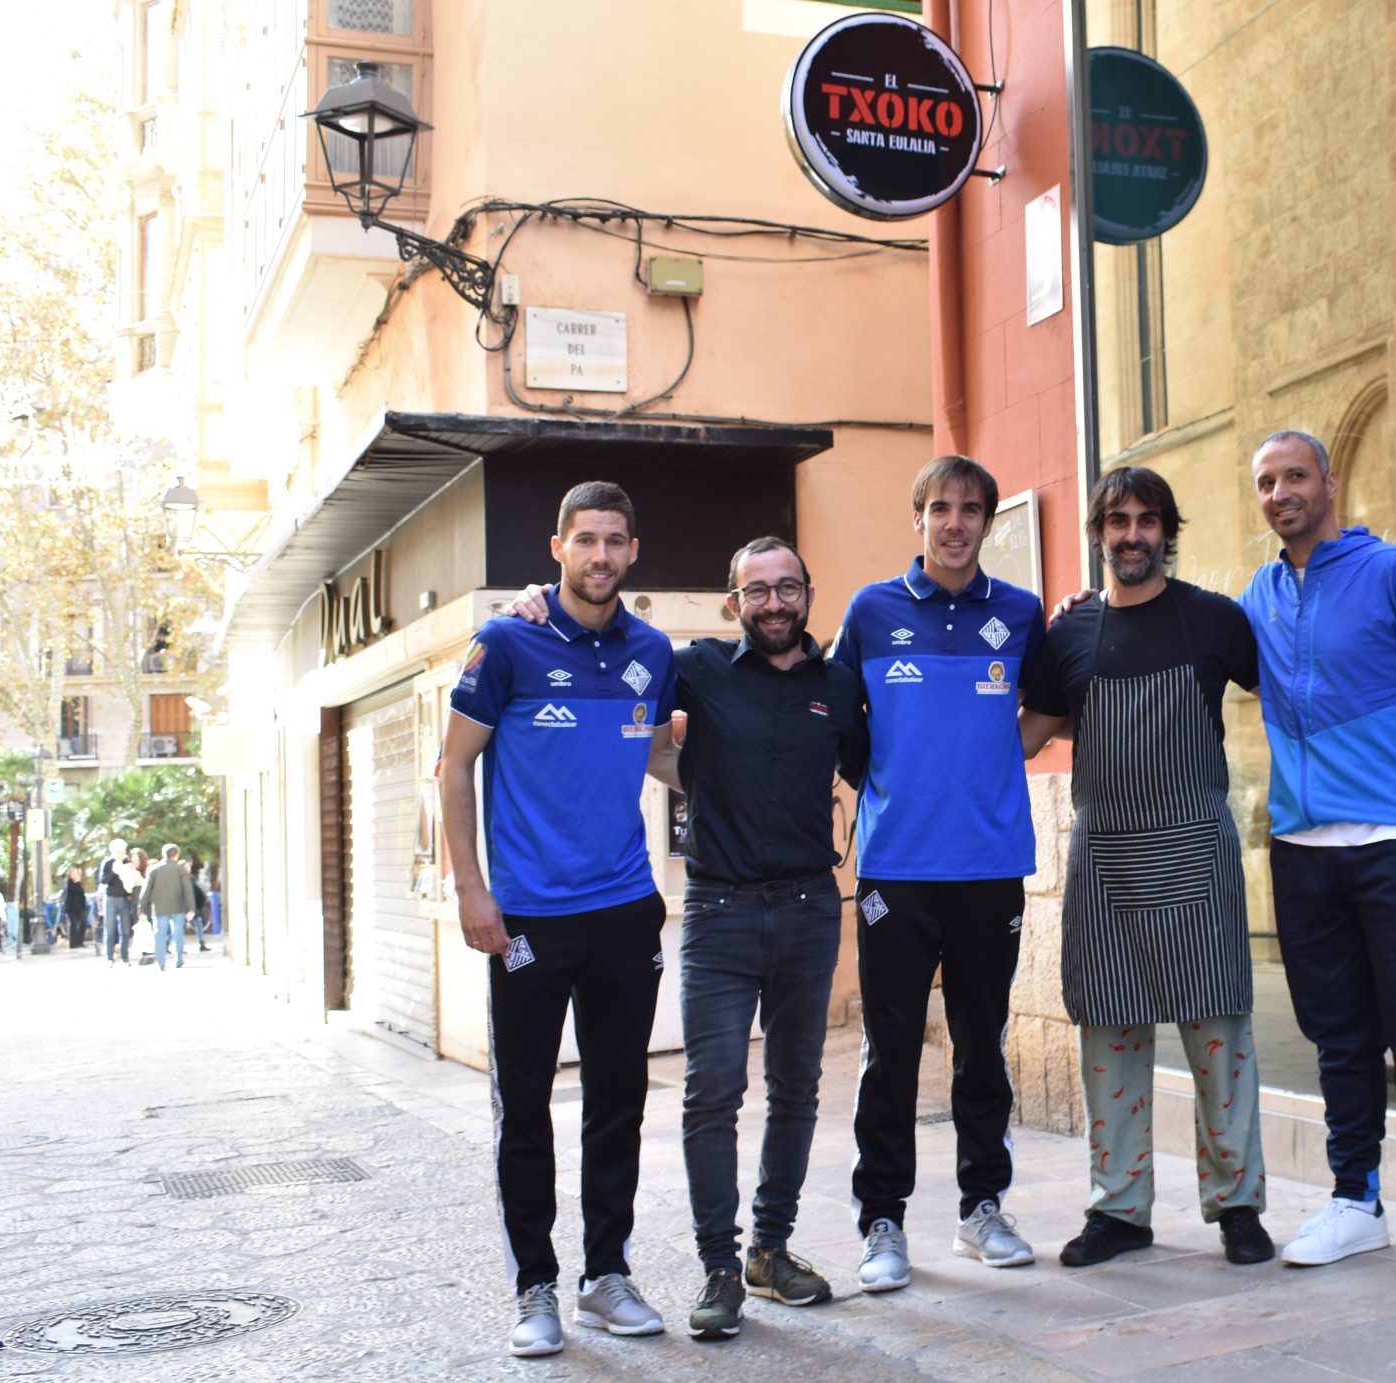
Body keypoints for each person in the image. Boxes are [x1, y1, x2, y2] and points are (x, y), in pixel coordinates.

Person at [508, 535, 868, 1339]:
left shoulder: (839, 685)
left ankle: (769, 1252)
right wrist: (540, 602)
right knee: (713, 1092)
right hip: (718, 911)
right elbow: (606, 655)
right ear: (732, 601)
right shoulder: (694, 667)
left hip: (810, 907)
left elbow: (869, 766)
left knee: (797, 1087)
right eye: (756, 590)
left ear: (808, 595)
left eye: (787, 587)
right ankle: (718, 1267)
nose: (773, 602)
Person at [1240, 429, 1396, 1280]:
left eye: (1295, 476)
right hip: (1302, 846)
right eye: (1266, 482)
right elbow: (1181, 633)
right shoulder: (1259, 595)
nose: (1281, 493)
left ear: (1329, 482)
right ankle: (1354, 1199)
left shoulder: (1393, 572)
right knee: (1338, 1035)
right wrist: (1090, 609)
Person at [440, 480, 678, 1358]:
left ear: (633, 551)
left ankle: (605, 1275)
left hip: (624, 911)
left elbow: (658, 756)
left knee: (618, 1102)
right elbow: (452, 767)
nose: (601, 555)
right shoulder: (506, 641)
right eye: (586, 539)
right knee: (526, 1108)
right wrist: (473, 889)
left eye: (615, 540)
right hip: (529, 918)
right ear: (558, 548)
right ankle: (533, 1285)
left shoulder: (652, 650)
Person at [1019, 467, 1273, 1269]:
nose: (1132, 534)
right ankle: (1119, 1209)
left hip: (1197, 850)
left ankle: (1238, 1206)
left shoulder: (1216, 620)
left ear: (1168, 530)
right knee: (1109, 1032)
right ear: (1099, 533)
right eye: (1117, 521)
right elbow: (1026, 735)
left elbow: (1294, 694)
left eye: (1147, 519)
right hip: (1106, 861)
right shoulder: (1068, 633)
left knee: (1219, 1033)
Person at [832, 454, 1050, 1292]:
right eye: (940, 508)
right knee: (888, 1050)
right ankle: (882, 1221)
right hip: (897, 866)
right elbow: (839, 719)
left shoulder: (1020, 612)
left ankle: (981, 1208)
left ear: (987, 522)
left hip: (990, 866)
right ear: (917, 517)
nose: (955, 523)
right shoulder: (871, 610)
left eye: (970, 509)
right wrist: (889, 781)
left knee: (981, 1046)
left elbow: (1047, 706)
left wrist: (992, 757)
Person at [138, 844, 195, 970]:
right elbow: (187, 889)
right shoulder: (180, 869)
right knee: (178, 934)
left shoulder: (154, 869)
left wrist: (141, 909)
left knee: (160, 935)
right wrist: (191, 908)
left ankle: (161, 962)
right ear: (176, 855)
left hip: (160, 908)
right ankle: (178, 960)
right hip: (178, 907)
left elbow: (146, 891)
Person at [100, 838, 133, 966]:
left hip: (124, 899)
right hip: (111, 899)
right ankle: (109, 957)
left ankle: (125, 957)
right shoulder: (107, 863)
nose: (122, 853)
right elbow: (103, 880)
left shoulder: (127, 862)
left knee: (125, 930)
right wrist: (114, 872)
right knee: (110, 930)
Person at [63, 866, 89, 949]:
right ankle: (73, 943)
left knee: (83, 923)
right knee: (73, 925)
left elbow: (81, 894)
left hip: (80, 907)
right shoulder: (69, 883)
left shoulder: (79, 883)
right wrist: (77, 882)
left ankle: (80, 941)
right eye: (73, 873)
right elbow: (73, 891)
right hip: (72, 907)